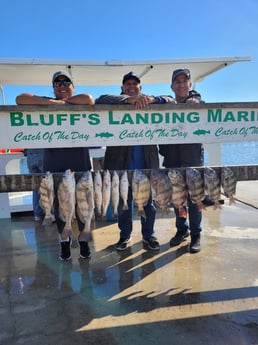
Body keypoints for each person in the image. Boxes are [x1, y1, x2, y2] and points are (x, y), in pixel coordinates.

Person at [16, 70, 95, 261]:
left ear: (73, 87)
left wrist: (66, 103)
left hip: (80, 163)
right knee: (61, 209)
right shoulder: (44, 102)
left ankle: (84, 242)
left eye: (66, 82)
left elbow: (89, 99)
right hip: (54, 164)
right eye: (57, 84)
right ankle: (64, 243)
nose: (62, 86)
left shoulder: (78, 101)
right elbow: (20, 98)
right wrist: (52, 103)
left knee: (84, 207)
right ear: (53, 89)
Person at [95, 71, 168, 251]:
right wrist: (126, 100)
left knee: (148, 204)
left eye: (135, 84)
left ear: (140, 88)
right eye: (127, 84)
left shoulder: (149, 104)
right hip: (121, 167)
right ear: (122, 88)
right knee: (124, 204)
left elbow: (170, 99)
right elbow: (99, 99)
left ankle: (148, 236)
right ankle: (124, 236)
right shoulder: (116, 103)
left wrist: (153, 100)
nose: (131, 87)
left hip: (146, 166)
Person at [159, 68, 204, 253]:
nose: (181, 84)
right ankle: (181, 230)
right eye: (177, 82)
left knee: (195, 200)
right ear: (172, 86)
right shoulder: (166, 105)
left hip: (192, 159)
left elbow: (205, 111)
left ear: (190, 84)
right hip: (172, 160)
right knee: (177, 199)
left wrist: (197, 100)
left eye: (184, 81)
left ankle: (196, 234)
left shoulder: (197, 103)